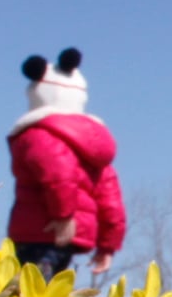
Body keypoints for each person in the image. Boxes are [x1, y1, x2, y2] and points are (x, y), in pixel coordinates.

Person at [7, 48, 126, 278]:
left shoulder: (40, 134)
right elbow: (111, 198)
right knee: (52, 296)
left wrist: (63, 217)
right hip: (71, 236)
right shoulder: (95, 146)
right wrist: (108, 244)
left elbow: (57, 174)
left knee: (28, 294)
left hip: (42, 230)